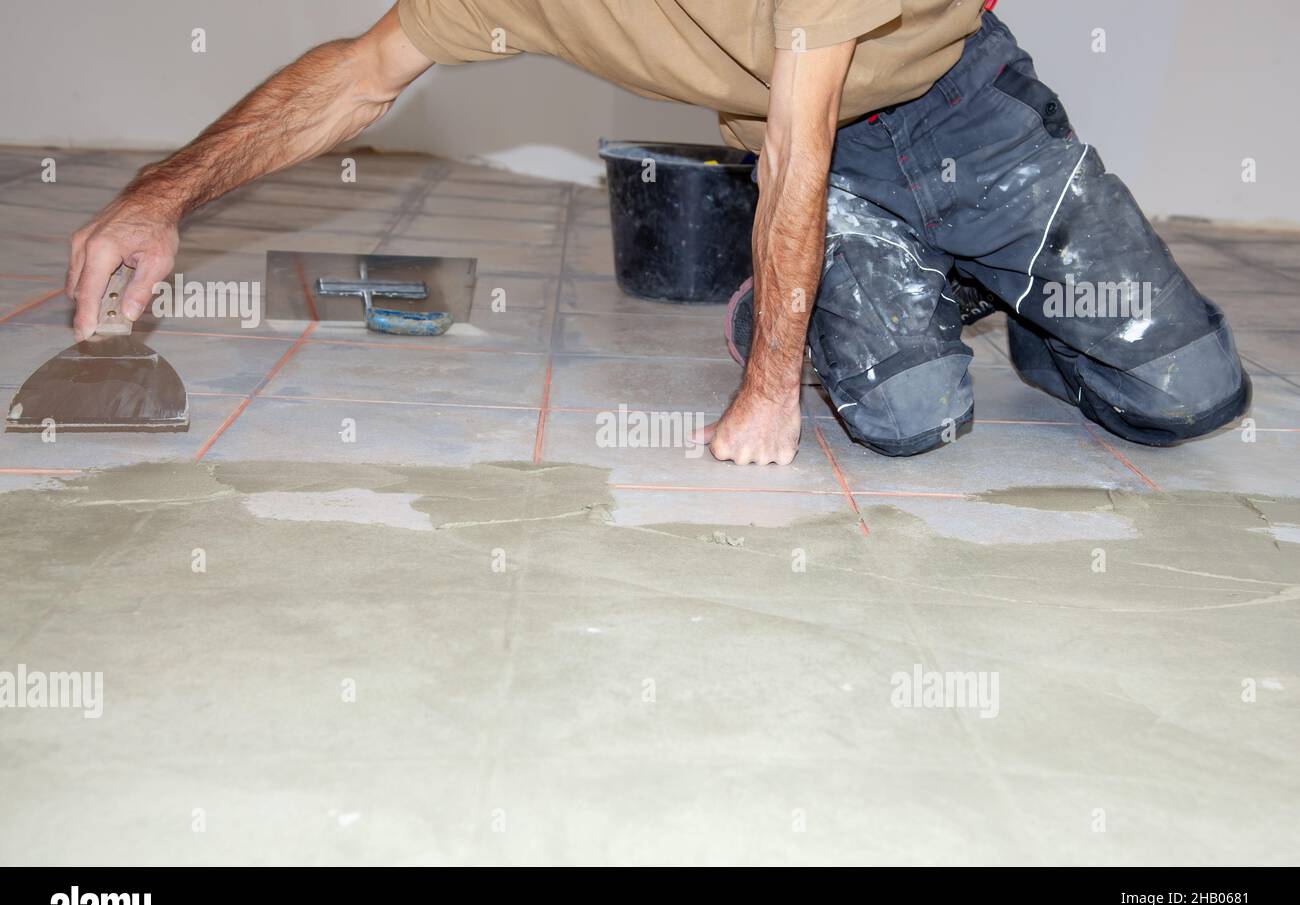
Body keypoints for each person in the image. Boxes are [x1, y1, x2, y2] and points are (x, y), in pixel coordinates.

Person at [65, 0, 1250, 465]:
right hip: (820, 173)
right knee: (909, 422)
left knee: (1189, 395)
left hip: (968, 113)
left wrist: (772, 395)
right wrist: (162, 194)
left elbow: (802, 137)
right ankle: (829, 304)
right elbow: (359, 76)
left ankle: (1038, 318)